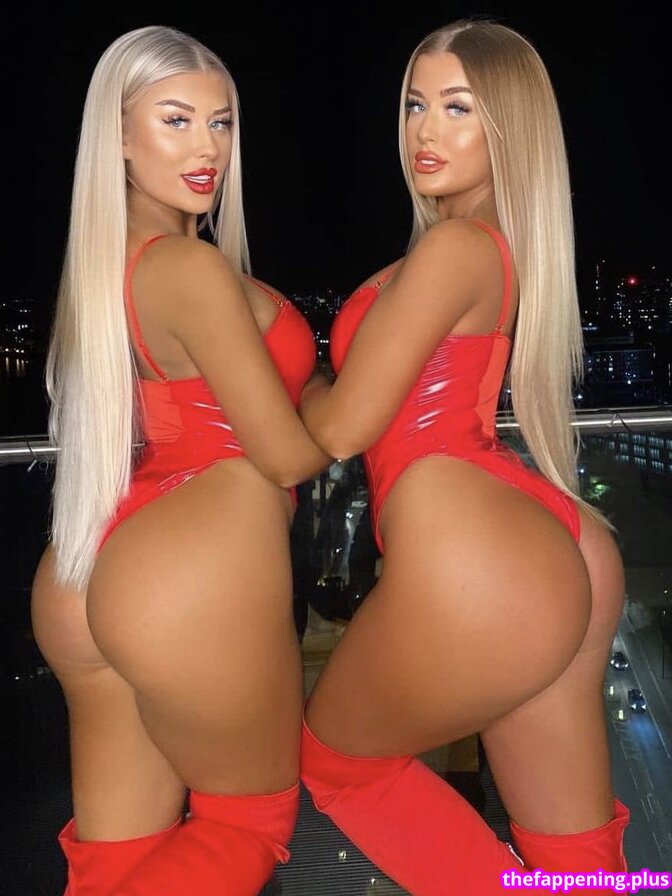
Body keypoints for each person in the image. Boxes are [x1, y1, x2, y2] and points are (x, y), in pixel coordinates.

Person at [297, 17, 629, 896]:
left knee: (338, 765)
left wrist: (293, 380)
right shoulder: (491, 242)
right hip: (553, 541)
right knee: (574, 858)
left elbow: (340, 429)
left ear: (507, 127)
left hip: (482, 558)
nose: (425, 130)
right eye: (415, 104)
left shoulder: (454, 247)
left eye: (457, 108)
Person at [30, 25, 330, 895]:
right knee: (245, 824)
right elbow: (285, 455)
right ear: (118, 138)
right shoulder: (186, 267)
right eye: (175, 120)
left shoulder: (107, 265)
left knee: (114, 864)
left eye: (220, 122)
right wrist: (354, 389)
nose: (207, 148)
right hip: (189, 567)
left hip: (89, 564)